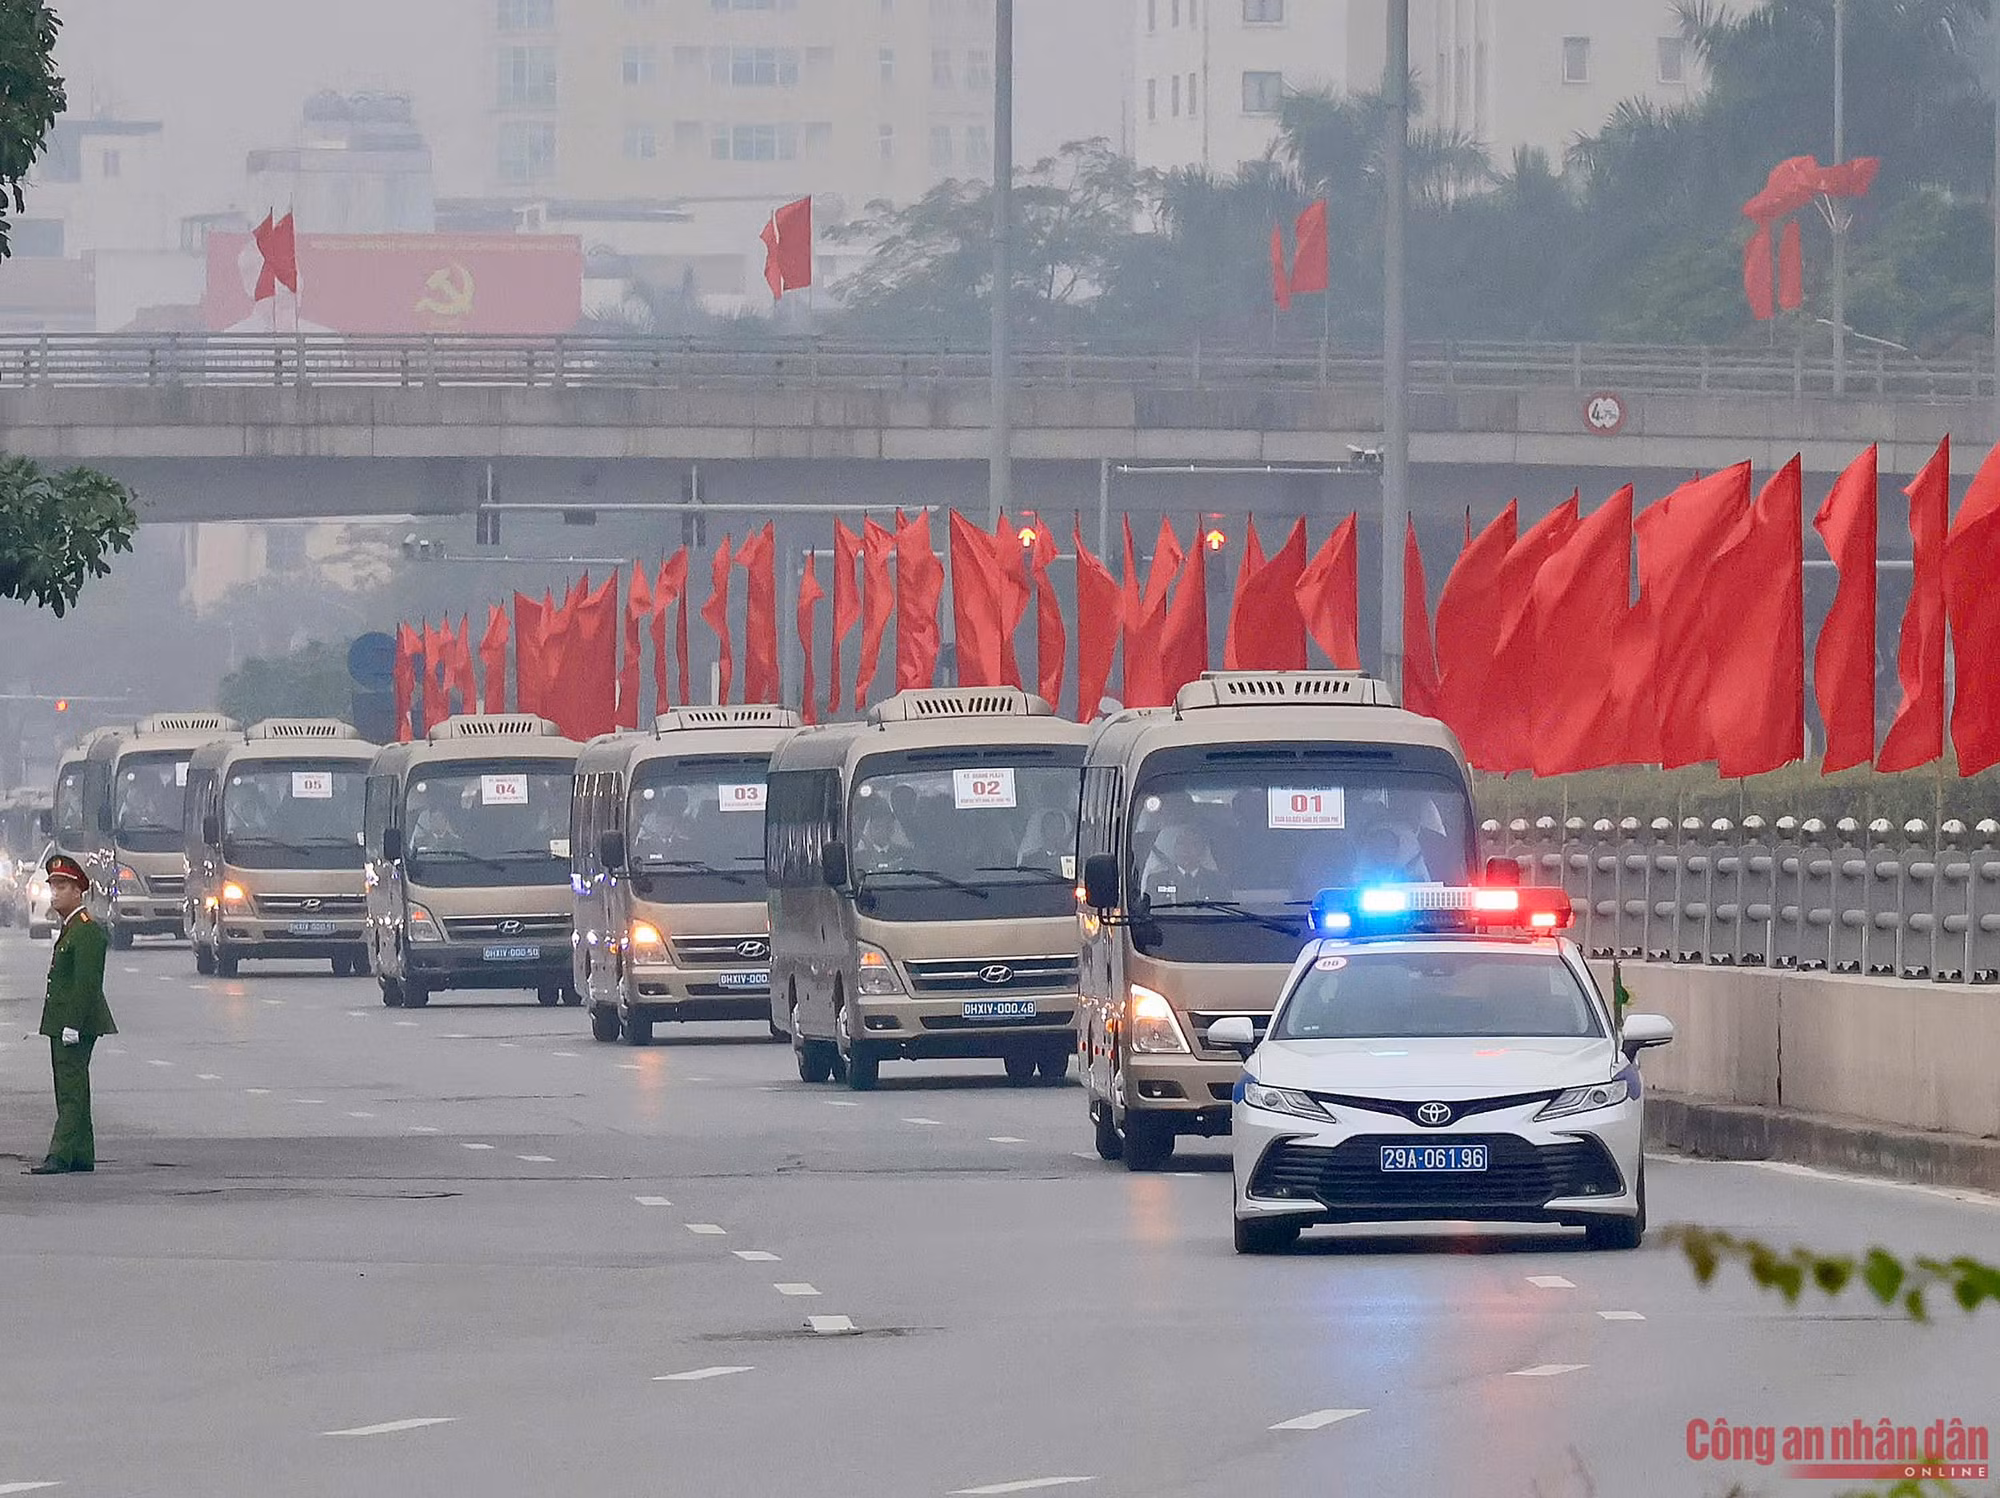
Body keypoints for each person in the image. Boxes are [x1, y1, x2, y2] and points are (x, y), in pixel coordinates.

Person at [31, 854, 116, 1175]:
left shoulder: (86, 931)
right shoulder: (71, 929)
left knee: (70, 1092)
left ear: (78, 891)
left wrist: (72, 1025)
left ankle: (60, 1155)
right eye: (53, 886)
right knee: (73, 1088)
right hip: (64, 1023)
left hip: (75, 1025)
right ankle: (82, 1154)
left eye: (62, 887)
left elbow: (87, 985)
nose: (55, 893)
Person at [1140, 821, 1224, 904]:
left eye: (1193, 844)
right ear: (1175, 848)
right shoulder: (1157, 880)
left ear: (1203, 850)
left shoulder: (1216, 882)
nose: (1186, 850)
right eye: (1181, 843)